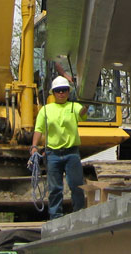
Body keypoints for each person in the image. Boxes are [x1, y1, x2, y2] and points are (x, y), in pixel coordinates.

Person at [32, 75, 89, 218]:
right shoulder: (46, 110)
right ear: (53, 93)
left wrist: (87, 104)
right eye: (58, 91)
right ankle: (55, 217)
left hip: (72, 154)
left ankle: (79, 215)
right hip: (53, 154)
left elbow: (81, 113)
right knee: (55, 189)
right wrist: (34, 147)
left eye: (64, 90)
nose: (61, 93)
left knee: (76, 186)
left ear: (69, 92)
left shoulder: (73, 107)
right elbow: (38, 129)